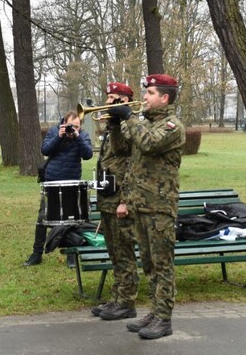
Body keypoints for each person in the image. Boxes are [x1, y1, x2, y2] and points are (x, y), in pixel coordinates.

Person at [113, 74, 185, 340]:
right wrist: (115, 123)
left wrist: (129, 118)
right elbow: (126, 154)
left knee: (162, 264)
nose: (144, 97)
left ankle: (164, 318)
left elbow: (147, 144)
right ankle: (154, 312)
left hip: (160, 207)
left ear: (164, 98)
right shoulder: (144, 123)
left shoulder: (171, 125)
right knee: (149, 264)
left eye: (150, 93)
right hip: (141, 205)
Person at [91, 82, 140, 321]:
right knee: (114, 252)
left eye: (113, 98)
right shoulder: (116, 126)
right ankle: (117, 298)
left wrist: (125, 201)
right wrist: (114, 124)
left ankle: (127, 302)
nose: (108, 101)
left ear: (125, 100)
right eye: (108, 97)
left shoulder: (134, 125)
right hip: (108, 197)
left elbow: (132, 164)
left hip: (121, 198)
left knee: (124, 252)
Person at [23, 110, 93, 266]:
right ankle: (36, 254)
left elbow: (87, 154)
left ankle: (71, 256)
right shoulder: (55, 131)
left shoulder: (83, 135)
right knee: (43, 218)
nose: (73, 128)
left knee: (71, 220)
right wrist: (59, 136)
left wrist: (77, 137)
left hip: (72, 181)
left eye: (76, 126)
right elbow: (45, 150)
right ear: (64, 122)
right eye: (70, 126)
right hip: (52, 180)